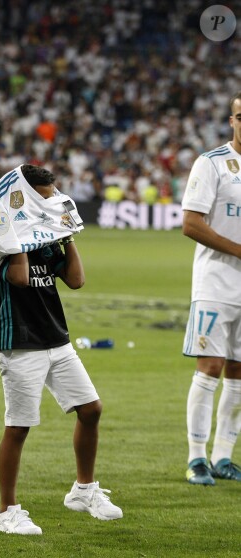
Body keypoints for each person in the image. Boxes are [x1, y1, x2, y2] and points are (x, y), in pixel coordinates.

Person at [0, 165, 122, 535]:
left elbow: (76, 280)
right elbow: (20, 279)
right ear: (24, 196)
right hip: (20, 342)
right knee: (19, 426)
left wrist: (68, 233)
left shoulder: (47, 236)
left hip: (57, 337)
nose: (51, 201)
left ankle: (83, 489)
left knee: (91, 409)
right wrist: (20, 229)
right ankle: (6, 512)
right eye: (44, 195)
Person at [182, 91, 241, 485]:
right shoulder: (213, 163)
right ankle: (196, 458)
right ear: (233, 120)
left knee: (239, 371)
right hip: (216, 283)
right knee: (211, 367)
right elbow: (191, 223)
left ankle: (224, 456)